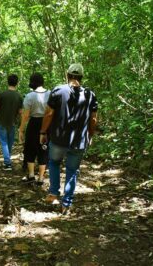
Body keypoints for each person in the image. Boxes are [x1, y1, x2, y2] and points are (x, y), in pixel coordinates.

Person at [39, 63, 98, 215]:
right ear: (81, 77)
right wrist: (90, 135)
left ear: (68, 75)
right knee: (72, 170)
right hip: (79, 142)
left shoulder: (58, 90)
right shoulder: (90, 95)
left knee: (54, 163)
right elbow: (93, 120)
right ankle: (66, 203)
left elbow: (49, 114)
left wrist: (43, 132)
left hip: (58, 138)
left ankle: (53, 192)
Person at [18, 73, 50, 185]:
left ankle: (31, 175)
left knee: (30, 148)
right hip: (46, 124)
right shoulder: (50, 94)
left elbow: (25, 116)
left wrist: (21, 129)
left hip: (33, 123)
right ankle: (41, 178)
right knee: (43, 148)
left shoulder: (29, 96)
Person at [0, 74, 23, 171]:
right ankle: (7, 161)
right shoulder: (19, 96)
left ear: (7, 82)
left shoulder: (1, 94)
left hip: (2, 122)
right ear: (17, 83)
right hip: (12, 123)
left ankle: (7, 163)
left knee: (4, 142)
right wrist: (21, 124)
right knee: (9, 142)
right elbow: (20, 112)